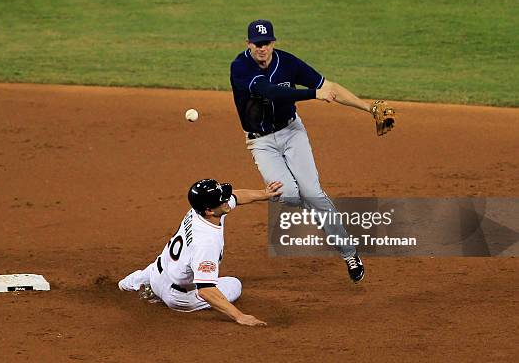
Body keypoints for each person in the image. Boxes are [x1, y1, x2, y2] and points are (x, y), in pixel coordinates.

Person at [230, 19, 392, 283]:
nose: (261, 48)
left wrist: (369, 108)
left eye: (266, 43)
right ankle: (319, 206)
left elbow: (331, 88)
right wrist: (312, 94)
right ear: (248, 44)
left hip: (292, 133)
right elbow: (271, 92)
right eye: (256, 44)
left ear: (273, 42)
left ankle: (349, 252)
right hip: (261, 142)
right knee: (288, 194)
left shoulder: (288, 62)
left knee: (314, 193)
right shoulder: (240, 67)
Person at [118, 178, 283, 326]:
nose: (227, 201)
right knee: (234, 284)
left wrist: (264, 193)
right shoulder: (207, 241)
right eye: (223, 200)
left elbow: (236, 197)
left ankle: (133, 286)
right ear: (210, 211)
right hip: (178, 296)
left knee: (123, 287)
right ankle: (157, 296)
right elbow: (205, 290)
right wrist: (239, 316)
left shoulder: (200, 211)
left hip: (155, 273)